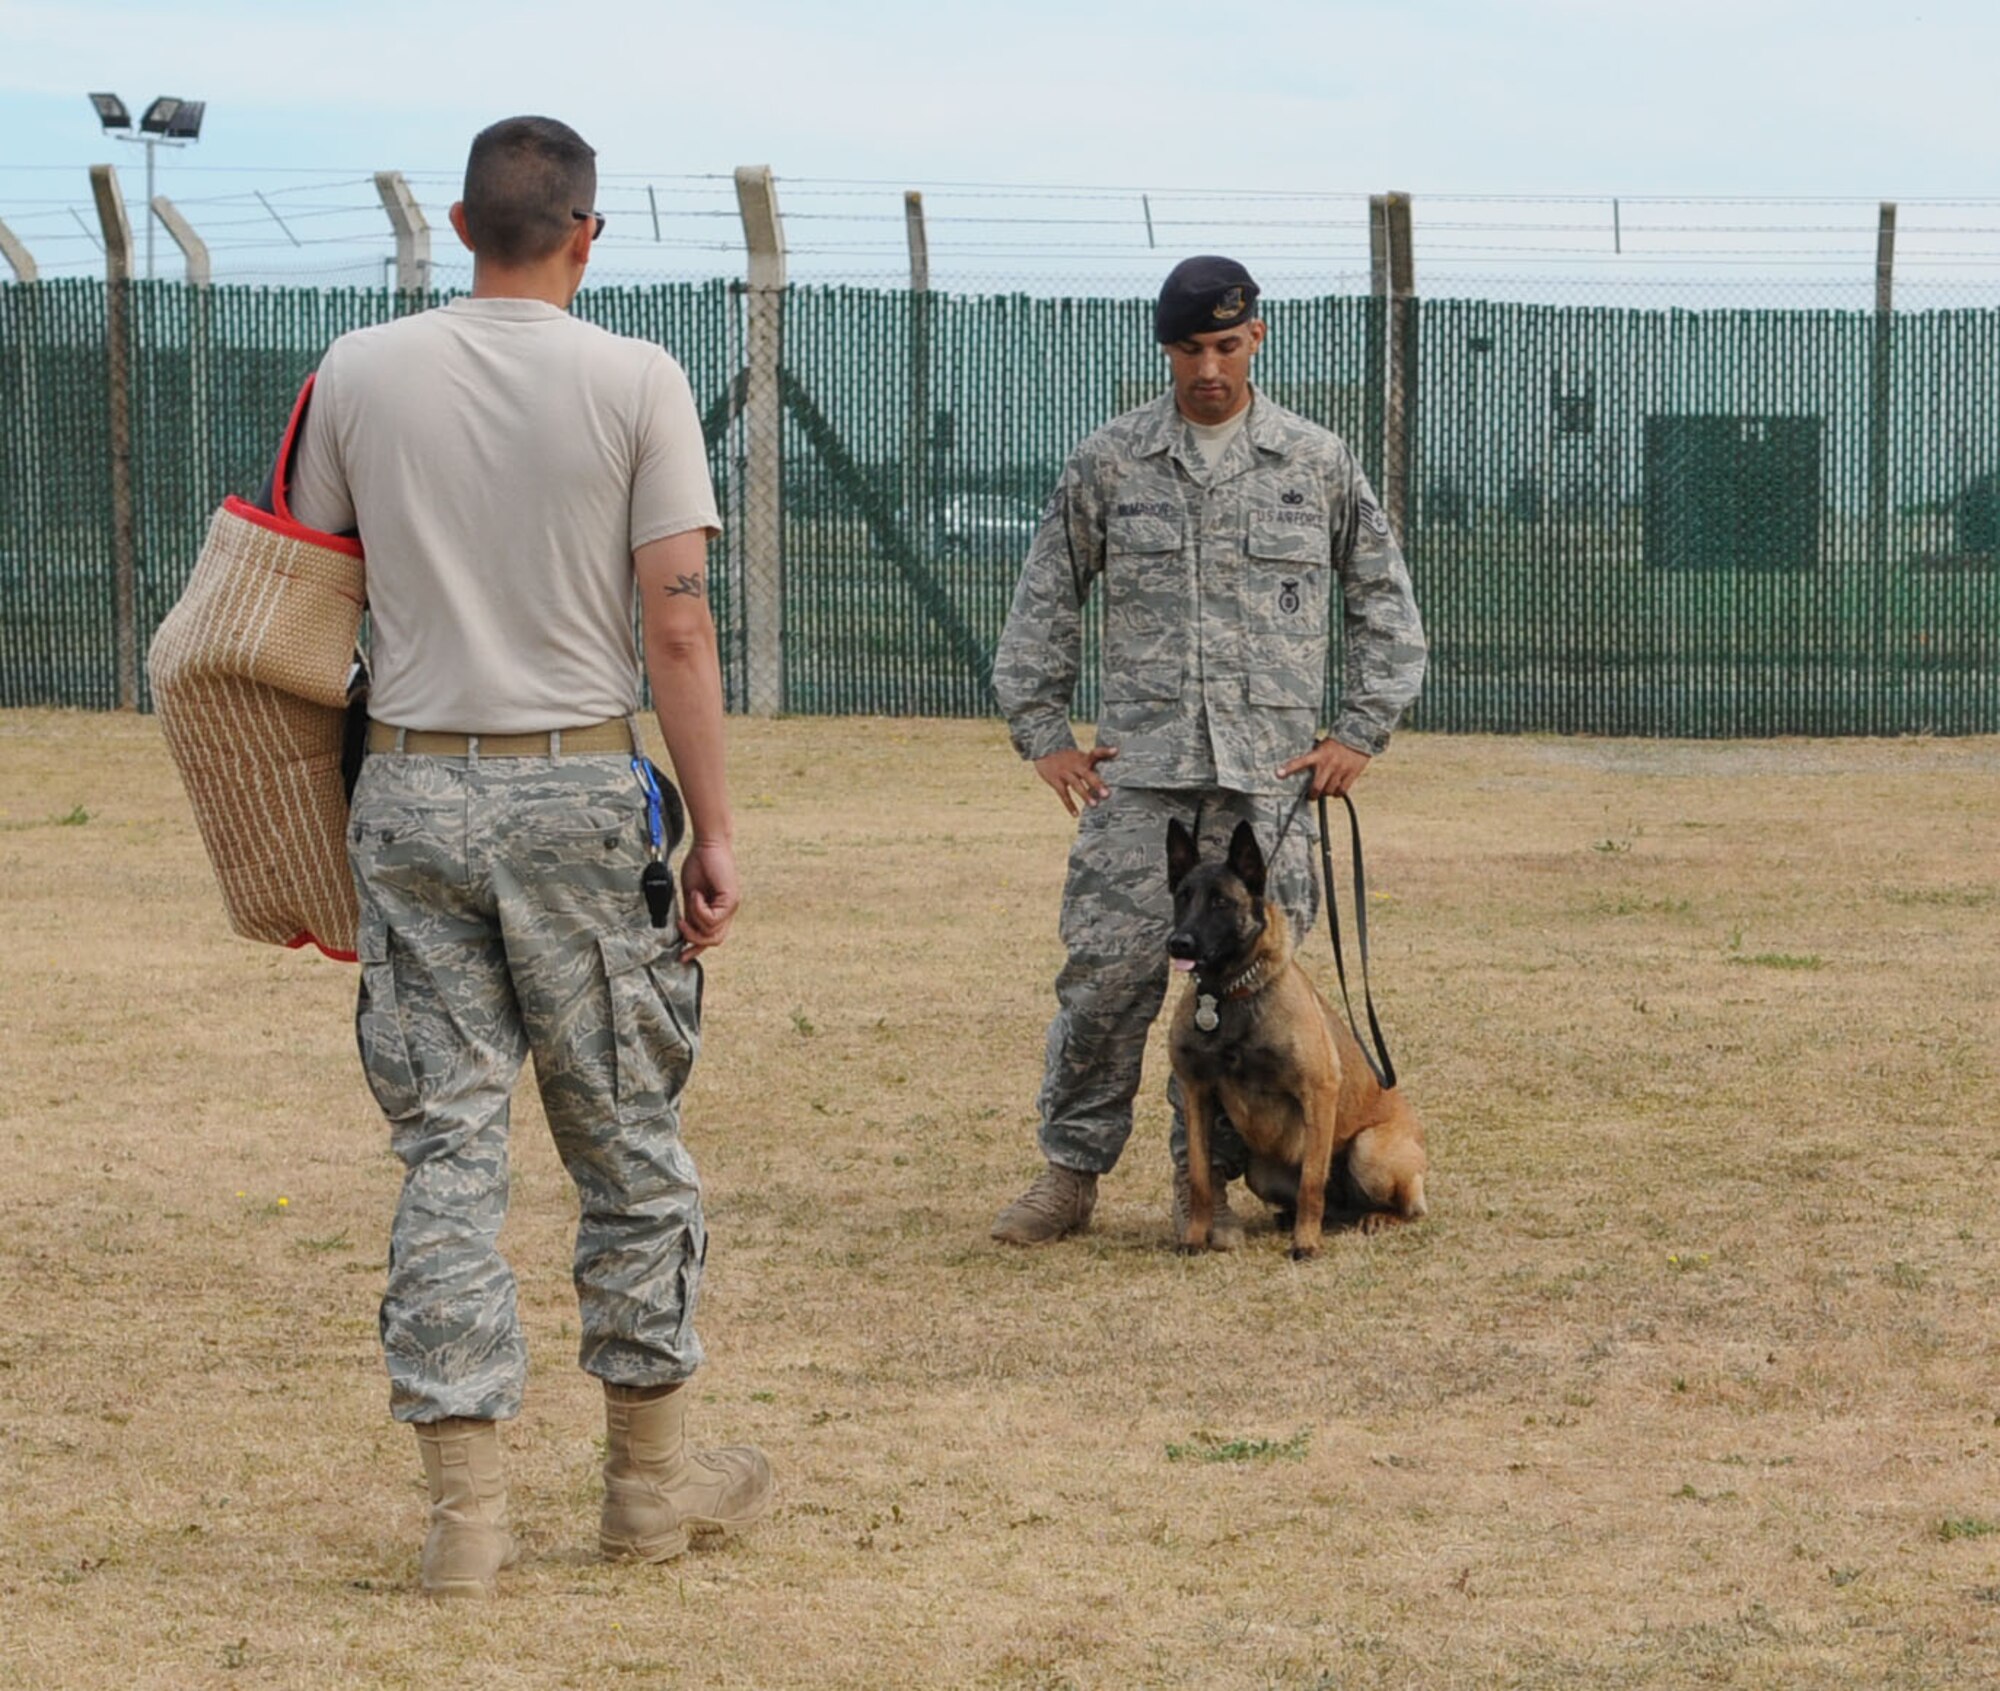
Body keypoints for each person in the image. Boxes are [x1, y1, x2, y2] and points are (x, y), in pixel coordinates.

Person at [287, 115, 771, 1599]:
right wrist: (715, 825)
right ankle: (643, 1485)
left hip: (412, 793)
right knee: (624, 1136)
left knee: (449, 1150)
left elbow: (309, 594)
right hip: (575, 790)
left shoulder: (356, 372)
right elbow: (677, 623)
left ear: (450, 220)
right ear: (587, 233)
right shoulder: (639, 378)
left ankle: (466, 1522)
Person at [988, 255, 1427, 1248]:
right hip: (1139, 784)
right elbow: (1044, 599)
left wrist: (1357, 729)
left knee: (1250, 1002)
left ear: (1256, 339)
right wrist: (1044, 733)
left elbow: (1385, 606)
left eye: (1226, 346)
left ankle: (1211, 1189)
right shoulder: (1110, 462)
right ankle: (1068, 1176)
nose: (1209, 369)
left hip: (1266, 787)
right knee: (1103, 983)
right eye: (1189, 349)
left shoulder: (1313, 463)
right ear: (1165, 350)